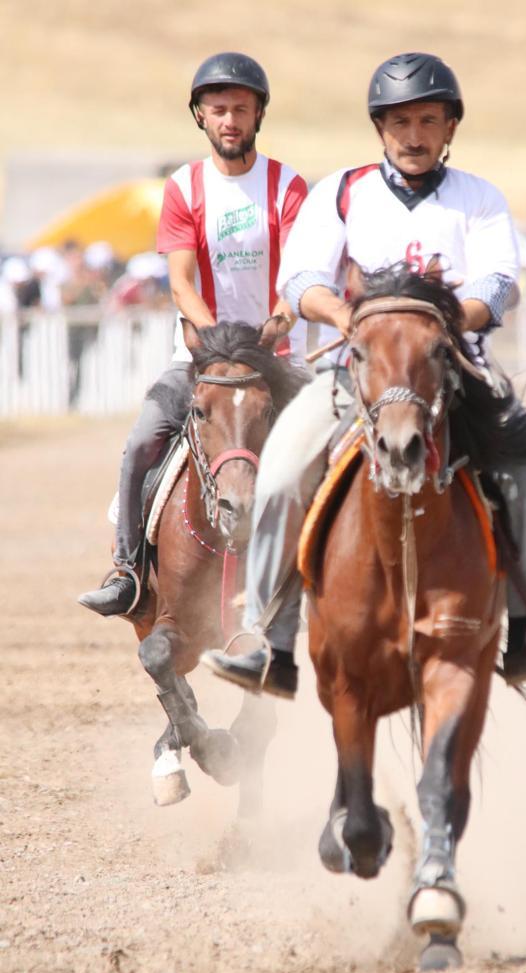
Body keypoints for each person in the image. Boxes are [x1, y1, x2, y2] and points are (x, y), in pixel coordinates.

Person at [202, 52, 526, 694]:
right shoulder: (342, 193)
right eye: (400, 121)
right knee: (276, 477)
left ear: (449, 128)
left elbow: (498, 283)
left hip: (456, 370)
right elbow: (299, 279)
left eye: (428, 121)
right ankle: (269, 640)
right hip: (355, 374)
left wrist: (437, 327)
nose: (414, 135)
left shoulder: (479, 198)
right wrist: (348, 320)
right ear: (380, 129)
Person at [78, 51, 307, 616]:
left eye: (241, 109)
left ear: (258, 116)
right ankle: (128, 570)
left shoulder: (286, 186)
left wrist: (273, 327)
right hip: (201, 356)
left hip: (279, 357)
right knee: (140, 445)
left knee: (340, 446)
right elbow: (181, 283)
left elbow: (299, 276)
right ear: (200, 117)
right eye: (219, 109)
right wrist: (218, 345)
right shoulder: (183, 187)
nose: (230, 120)